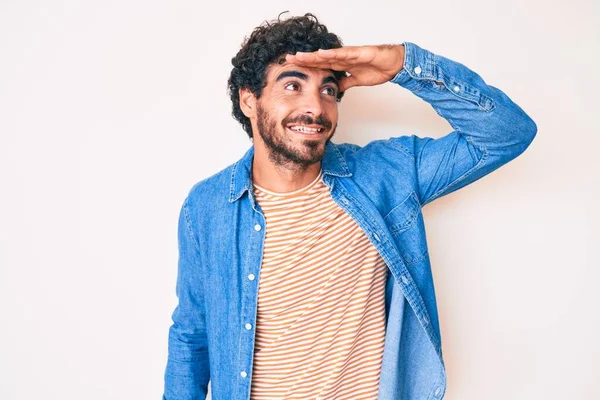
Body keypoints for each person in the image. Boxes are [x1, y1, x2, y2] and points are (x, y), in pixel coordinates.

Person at [162, 12, 537, 400]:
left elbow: (507, 133)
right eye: (293, 85)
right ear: (248, 100)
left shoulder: (385, 175)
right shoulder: (206, 207)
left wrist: (403, 64)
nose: (316, 107)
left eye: (328, 90)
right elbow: (192, 336)